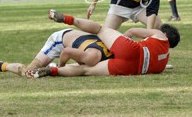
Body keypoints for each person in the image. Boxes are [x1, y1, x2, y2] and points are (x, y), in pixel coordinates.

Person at [26, 10, 180, 78]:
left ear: (166, 35)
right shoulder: (163, 63)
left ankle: (69, 19)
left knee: (100, 30)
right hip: (131, 69)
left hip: (131, 49)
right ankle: (54, 72)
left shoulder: (160, 35)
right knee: (85, 70)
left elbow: (132, 31)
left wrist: (119, 39)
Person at [0, 10, 113, 78]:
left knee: (80, 67)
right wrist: (61, 69)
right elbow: (66, 52)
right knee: (29, 72)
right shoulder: (92, 58)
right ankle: (1, 66)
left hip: (75, 37)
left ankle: (52, 66)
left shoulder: (115, 50)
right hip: (58, 41)